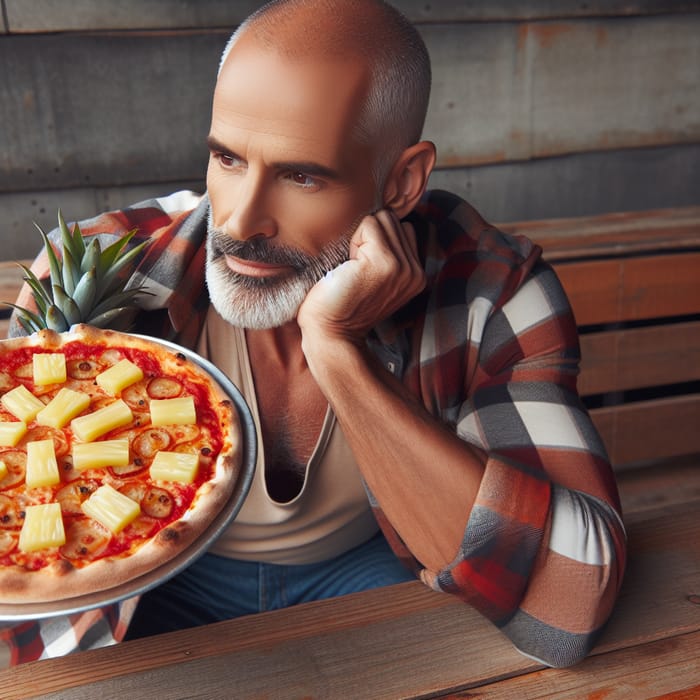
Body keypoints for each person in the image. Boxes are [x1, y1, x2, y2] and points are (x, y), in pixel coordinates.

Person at [1, 0, 626, 669]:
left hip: (369, 564)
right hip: (161, 583)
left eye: (303, 176)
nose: (241, 222)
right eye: (228, 159)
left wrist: (338, 351)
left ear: (403, 181)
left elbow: (570, 607)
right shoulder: (100, 264)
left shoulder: (494, 289)